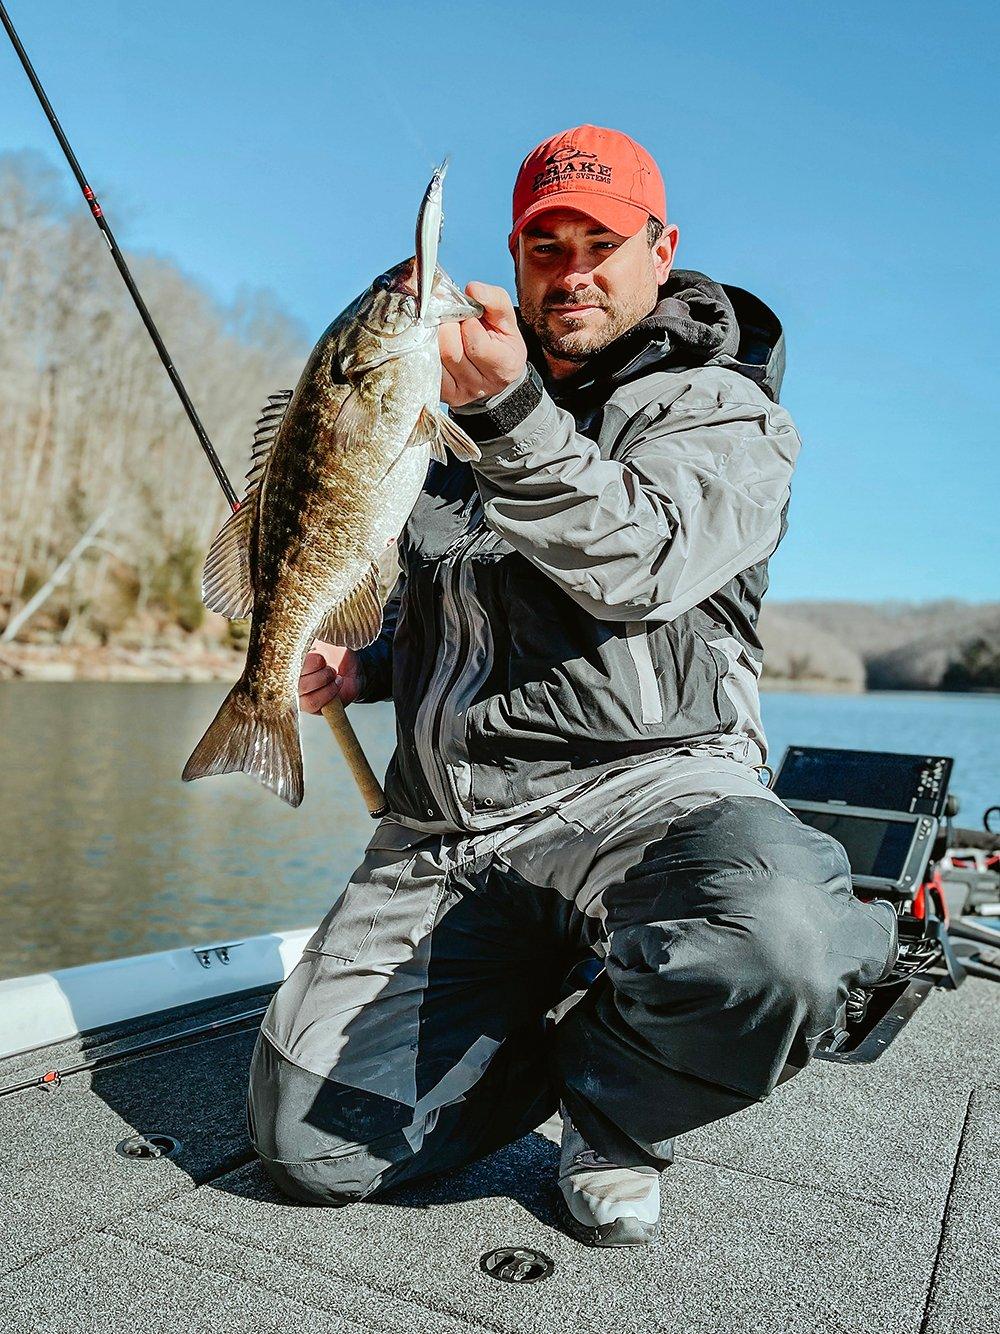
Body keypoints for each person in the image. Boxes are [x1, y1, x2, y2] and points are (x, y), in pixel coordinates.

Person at [247, 125, 896, 1247]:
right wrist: (370, 662)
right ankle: (567, 999)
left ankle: (615, 1105)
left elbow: (641, 561)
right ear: (515, 251)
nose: (574, 269)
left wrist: (509, 418)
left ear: (662, 247)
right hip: (450, 826)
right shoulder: (445, 407)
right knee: (309, 1140)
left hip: (647, 798)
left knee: (781, 944)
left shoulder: (724, 410)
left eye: (603, 241)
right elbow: (467, 603)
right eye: (548, 245)